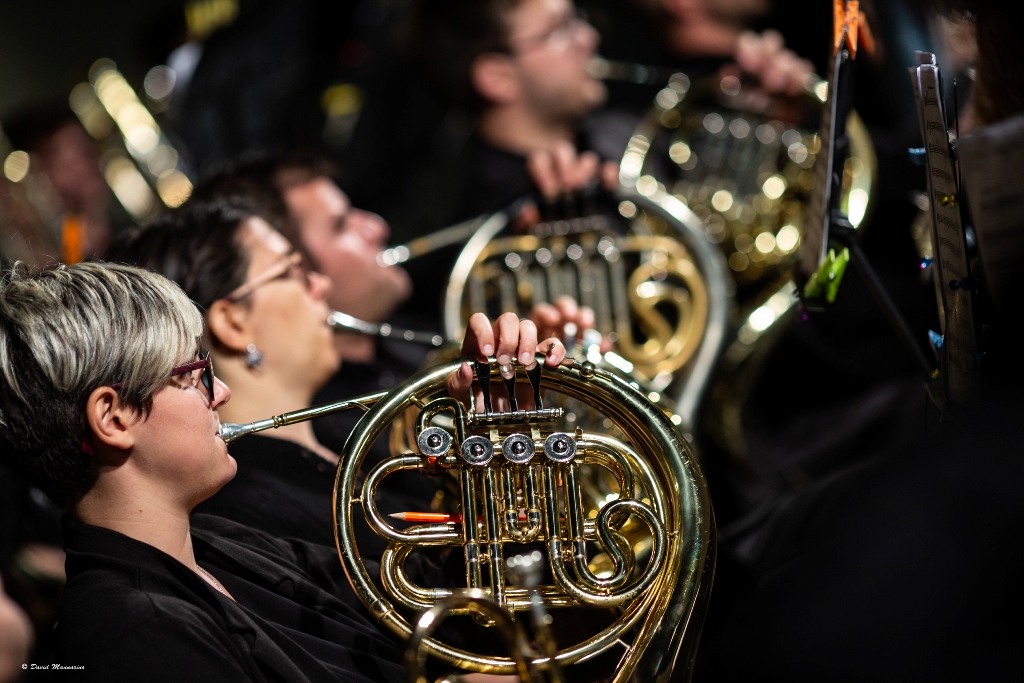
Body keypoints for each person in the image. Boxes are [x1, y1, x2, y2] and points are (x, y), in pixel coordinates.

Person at [0, 258, 563, 681]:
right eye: (196, 374)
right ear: (115, 417)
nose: (220, 392)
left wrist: (499, 444)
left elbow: (458, 611)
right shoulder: (132, 635)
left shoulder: (221, 546)